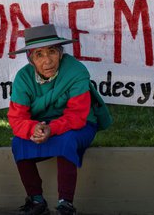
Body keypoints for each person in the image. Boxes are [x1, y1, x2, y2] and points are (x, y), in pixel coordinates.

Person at [7, 24, 112, 215]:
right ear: (30, 59)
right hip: (41, 126)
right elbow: (16, 118)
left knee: (66, 140)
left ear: (61, 53)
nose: (47, 61)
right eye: (39, 54)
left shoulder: (76, 71)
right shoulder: (23, 78)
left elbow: (77, 115)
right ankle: (36, 200)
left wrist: (51, 128)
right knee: (18, 143)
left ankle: (66, 204)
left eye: (52, 52)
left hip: (80, 124)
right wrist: (34, 129)